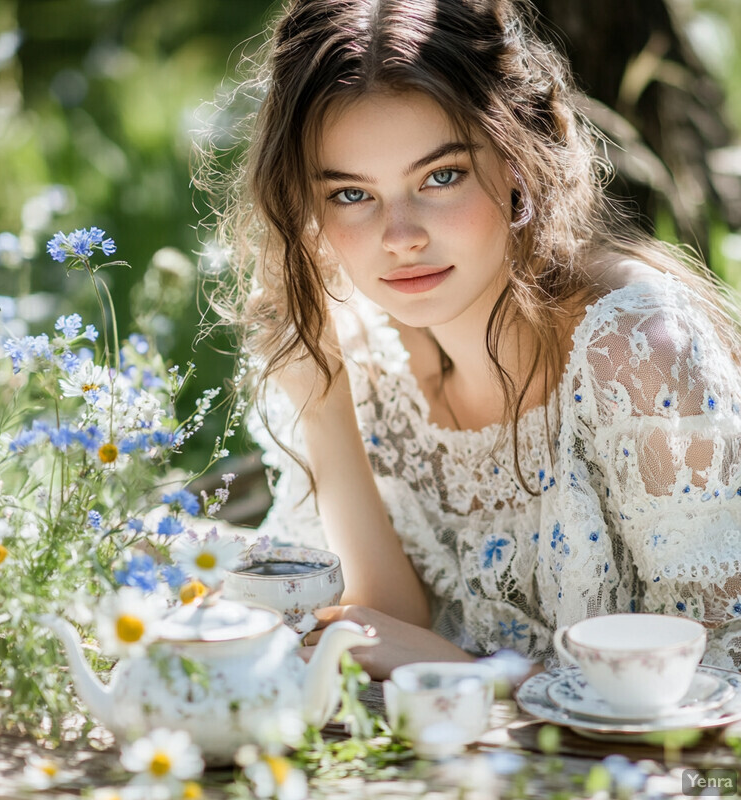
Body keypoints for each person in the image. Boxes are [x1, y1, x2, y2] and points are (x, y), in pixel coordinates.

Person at [201, 0, 741, 680]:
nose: (401, 237)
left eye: (442, 176)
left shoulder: (637, 351)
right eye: (351, 194)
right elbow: (376, 628)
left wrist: (478, 678)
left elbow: (720, 680)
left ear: (516, 159)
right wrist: (323, 400)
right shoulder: (358, 346)